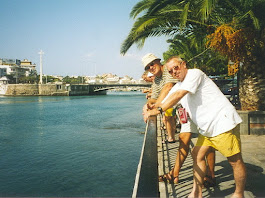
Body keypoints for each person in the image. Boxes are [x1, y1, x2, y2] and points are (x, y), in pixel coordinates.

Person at [143, 56, 246, 198]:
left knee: (235, 161)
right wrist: (148, 109)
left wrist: (158, 111)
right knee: (197, 154)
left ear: (183, 64)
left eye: (176, 68)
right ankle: (196, 193)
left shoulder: (194, 74)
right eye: (171, 71)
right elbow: (164, 101)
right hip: (207, 129)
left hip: (222, 123)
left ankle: (239, 193)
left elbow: (179, 95)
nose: (174, 72)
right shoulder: (179, 84)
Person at [142, 53, 178, 143]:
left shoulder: (167, 68)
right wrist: (147, 107)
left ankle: (171, 138)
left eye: (152, 64)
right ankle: (171, 137)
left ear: (158, 61)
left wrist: (154, 109)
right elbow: (154, 98)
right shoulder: (157, 80)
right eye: (147, 67)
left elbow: (168, 87)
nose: (150, 68)